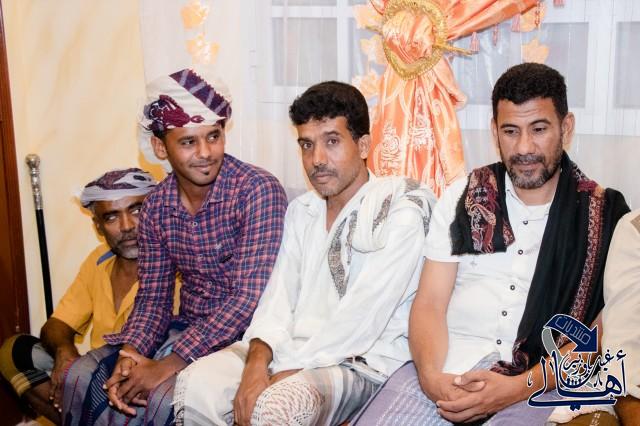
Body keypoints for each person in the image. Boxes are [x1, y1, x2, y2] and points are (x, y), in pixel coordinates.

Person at [354, 63, 630, 425]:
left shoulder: (605, 216)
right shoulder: (463, 197)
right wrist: (432, 379)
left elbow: (599, 336)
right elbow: (430, 303)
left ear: (566, 128)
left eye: (539, 129)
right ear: (494, 131)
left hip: (539, 381)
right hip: (449, 369)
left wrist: (515, 388)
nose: (524, 148)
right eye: (510, 131)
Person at [172, 81, 436, 426]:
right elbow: (277, 299)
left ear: (363, 145)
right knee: (197, 385)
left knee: (280, 405)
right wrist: (256, 363)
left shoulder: (402, 204)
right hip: (290, 349)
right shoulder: (302, 210)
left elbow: (364, 315)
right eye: (307, 145)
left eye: (332, 141)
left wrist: (284, 371)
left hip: (360, 360)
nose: (317, 160)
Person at [61, 69, 288, 426]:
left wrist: (168, 364)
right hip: (188, 328)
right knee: (84, 377)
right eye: (188, 142)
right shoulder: (156, 206)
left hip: (249, 338)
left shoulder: (256, 190)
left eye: (213, 136)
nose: (205, 153)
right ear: (159, 147)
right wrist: (131, 353)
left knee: (163, 398)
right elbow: (153, 298)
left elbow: (247, 300)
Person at [0, 167, 172, 424]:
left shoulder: (179, 260)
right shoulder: (98, 260)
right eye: (112, 217)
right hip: (95, 374)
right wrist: (65, 353)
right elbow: (57, 324)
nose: (127, 226)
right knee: (15, 352)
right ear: (98, 227)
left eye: (137, 211)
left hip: (145, 384)